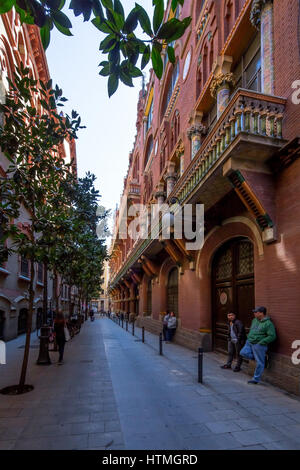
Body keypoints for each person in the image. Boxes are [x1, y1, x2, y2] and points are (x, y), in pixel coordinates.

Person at [240, 306, 276, 384]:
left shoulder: (268, 324)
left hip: (259, 344)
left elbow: (272, 336)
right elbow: (252, 330)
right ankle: (261, 360)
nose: (254, 313)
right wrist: (249, 337)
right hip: (249, 342)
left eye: (256, 312)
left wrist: (262, 342)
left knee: (260, 363)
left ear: (261, 313)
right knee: (243, 353)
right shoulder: (254, 320)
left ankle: (256, 379)